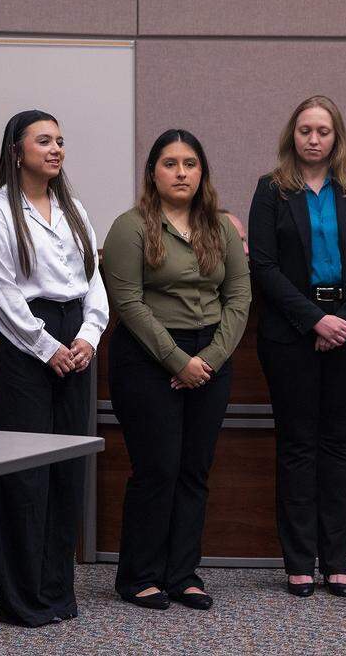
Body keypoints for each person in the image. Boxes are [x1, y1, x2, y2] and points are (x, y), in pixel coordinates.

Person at [0, 109, 109, 626]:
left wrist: (89, 335)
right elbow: (0, 295)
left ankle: (56, 592)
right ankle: (22, 598)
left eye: (60, 141)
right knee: (25, 477)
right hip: (23, 346)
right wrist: (47, 347)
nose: (56, 150)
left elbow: (94, 280)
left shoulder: (74, 208)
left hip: (75, 338)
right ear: (16, 151)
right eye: (44, 141)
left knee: (67, 471)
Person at [101, 129, 250, 611]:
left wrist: (209, 359)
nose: (181, 172)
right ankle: (139, 576)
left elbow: (239, 297)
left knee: (194, 469)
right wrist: (178, 361)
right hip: (147, 357)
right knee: (157, 468)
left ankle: (183, 574)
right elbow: (128, 302)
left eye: (190, 163)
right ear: (153, 173)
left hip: (210, 357)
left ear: (202, 172)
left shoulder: (220, 227)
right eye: (170, 163)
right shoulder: (130, 227)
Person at [248, 95, 346, 598]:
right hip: (291, 334)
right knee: (296, 444)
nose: (313, 139)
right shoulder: (272, 190)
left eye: (323, 131)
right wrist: (315, 320)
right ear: (293, 135)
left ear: (336, 137)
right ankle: (299, 563)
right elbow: (264, 266)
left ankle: (336, 562)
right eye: (305, 130)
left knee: (338, 444)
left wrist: (343, 322)